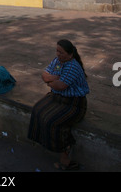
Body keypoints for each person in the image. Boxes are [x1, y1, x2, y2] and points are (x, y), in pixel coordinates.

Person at [27, 39, 89, 170]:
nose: (58, 54)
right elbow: (44, 75)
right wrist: (54, 79)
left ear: (70, 54)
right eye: (57, 51)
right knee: (37, 109)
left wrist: (50, 81)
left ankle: (65, 154)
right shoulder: (57, 62)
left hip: (74, 103)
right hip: (57, 97)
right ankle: (43, 141)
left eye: (61, 52)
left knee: (53, 120)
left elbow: (60, 86)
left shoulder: (73, 66)